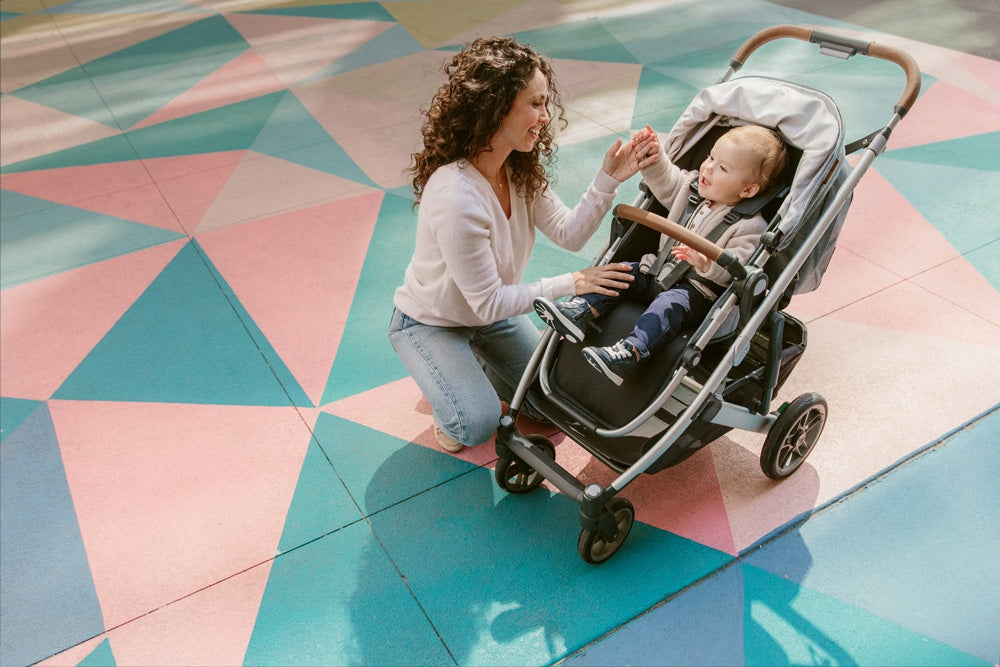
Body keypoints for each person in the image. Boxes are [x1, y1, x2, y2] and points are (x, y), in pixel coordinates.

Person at [388, 37, 653, 453]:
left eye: (547, 104)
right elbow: (489, 303)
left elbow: (570, 233)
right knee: (474, 426)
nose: (545, 117)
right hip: (433, 321)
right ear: (495, 105)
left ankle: (472, 362)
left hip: (489, 317)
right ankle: (450, 375)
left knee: (553, 402)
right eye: (535, 103)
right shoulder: (457, 196)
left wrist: (609, 180)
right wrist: (575, 282)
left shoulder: (517, 169)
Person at [533, 123, 788, 386]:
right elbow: (666, 178)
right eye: (710, 157)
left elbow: (740, 268)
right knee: (621, 272)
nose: (708, 167)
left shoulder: (750, 226)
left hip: (695, 292)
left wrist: (706, 262)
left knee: (668, 306)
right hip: (656, 270)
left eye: (722, 168)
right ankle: (582, 311)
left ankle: (629, 352)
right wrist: (653, 155)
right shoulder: (690, 190)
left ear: (747, 190)